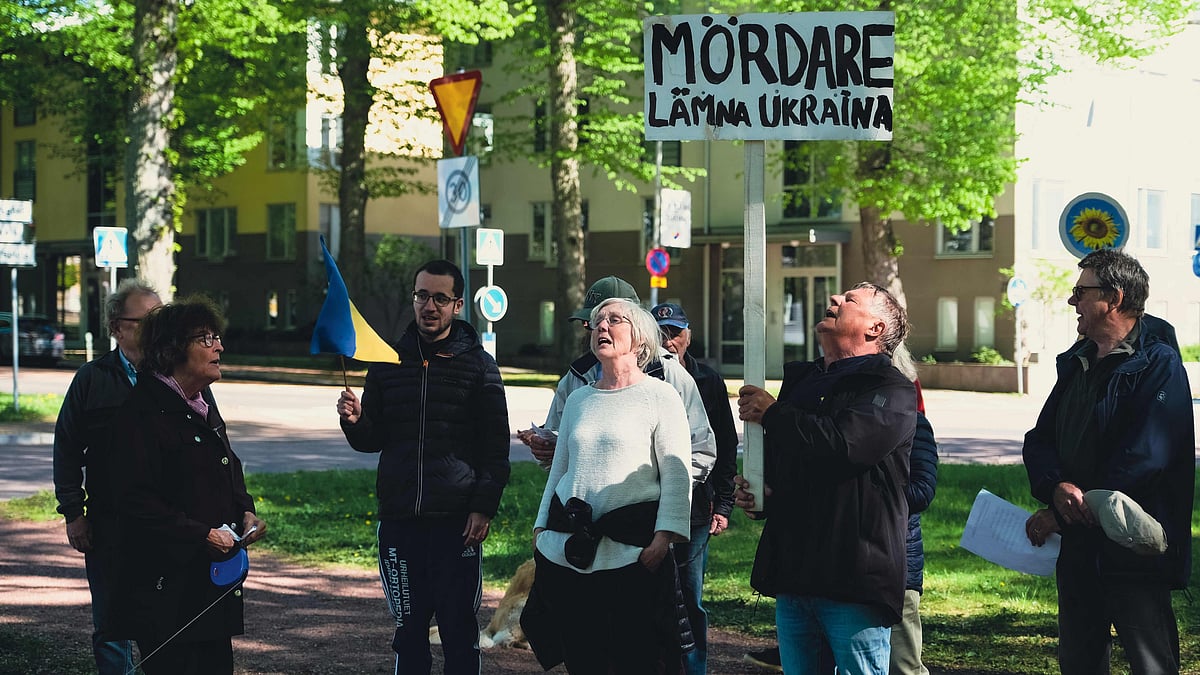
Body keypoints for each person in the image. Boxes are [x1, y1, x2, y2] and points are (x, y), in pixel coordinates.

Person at [1022, 248, 1193, 674]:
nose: (1072, 301)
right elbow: (1040, 440)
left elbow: (1146, 457)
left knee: (1151, 662)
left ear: (1114, 298)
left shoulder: (1158, 364)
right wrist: (1054, 487)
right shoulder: (1076, 363)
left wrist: (1069, 511)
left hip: (1133, 547)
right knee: (1078, 661)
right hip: (1080, 550)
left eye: (1081, 291)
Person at [337, 259, 511, 674]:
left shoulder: (480, 367)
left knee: (459, 633)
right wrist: (356, 420)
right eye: (421, 296)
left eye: (439, 298)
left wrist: (482, 507)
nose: (428, 306)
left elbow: (496, 451)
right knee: (409, 633)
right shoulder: (386, 361)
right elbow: (372, 441)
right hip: (399, 522)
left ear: (457, 304)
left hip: (456, 526)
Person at [734, 282, 916, 675]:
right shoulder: (804, 385)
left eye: (850, 300)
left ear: (875, 329)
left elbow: (845, 447)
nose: (834, 300)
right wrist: (766, 493)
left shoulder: (891, 389)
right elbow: (797, 463)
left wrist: (775, 415)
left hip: (853, 577)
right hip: (796, 572)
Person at [521, 297, 693, 673]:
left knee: (639, 661)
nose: (602, 327)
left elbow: (677, 475)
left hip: (633, 555)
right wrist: (539, 528)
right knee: (584, 659)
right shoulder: (580, 399)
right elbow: (560, 468)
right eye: (598, 321)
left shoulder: (660, 397)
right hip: (574, 552)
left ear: (641, 339)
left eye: (615, 320)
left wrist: (664, 537)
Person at [109, 295, 266, 674]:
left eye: (217, 337)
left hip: (209, 588)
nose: (219, 347)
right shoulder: (141, 414)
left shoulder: (200, 404)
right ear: (173, 350)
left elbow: (229, 466)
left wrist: (246, 510)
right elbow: (133, 502)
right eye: (206, 338)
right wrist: (200, 535)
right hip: (165, 592)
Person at [517, 276, 716, 493]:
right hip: (584, 514)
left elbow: (701, 449)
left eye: (613, 320)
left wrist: (660, 497)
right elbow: (558, 455)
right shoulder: (576, 376)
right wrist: (546, 449)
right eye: (591, 322)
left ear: (638, 325)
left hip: (648, 517)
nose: (597, 329)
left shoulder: (669, 374)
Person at [52, 278, 161, 674]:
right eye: (145, 319)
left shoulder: (178, 377)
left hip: (167, 522)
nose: (155, 328)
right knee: (112, 622)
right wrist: (73, 513)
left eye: (160, 318)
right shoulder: (91, 380)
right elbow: (66, 448)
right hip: (107, 522)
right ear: (117, 326)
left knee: (162, 616)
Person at [651, 301, 738, 675]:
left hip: (696, 508)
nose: (669, 340)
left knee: (689, 595)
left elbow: (725, 444)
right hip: (650, 505)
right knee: (649, 595)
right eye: (662, 332)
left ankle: (694, 668)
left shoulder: (708, 381)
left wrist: (725, 503)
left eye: (676, 332)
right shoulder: (646, 378)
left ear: (689, 336)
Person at [889, 346, 939, 675]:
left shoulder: (913, 422)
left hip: (897, 561)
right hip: (842, 567)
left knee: (902, 664)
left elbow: (922, 490)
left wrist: (860, 495)